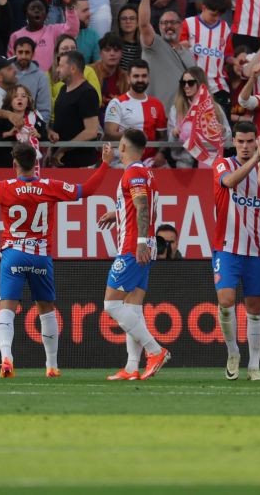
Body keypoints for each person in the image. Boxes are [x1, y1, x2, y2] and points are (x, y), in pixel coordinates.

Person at [0, 142, 112, 378]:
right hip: (40, 256)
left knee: (6, 308)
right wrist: (106, 163)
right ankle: (52, 365)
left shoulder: (1, 187)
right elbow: (87, 189)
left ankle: (6, 357)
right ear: (36, 164)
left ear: (15, 164)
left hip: (14, 254)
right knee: (46, 310)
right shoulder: (51, 186)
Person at [212, 121, 260, 381]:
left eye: (250, 141)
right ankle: (233, 352)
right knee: (226, 300)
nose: (244, 146)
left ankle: (254, 366)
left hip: (256, 249)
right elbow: (230, 182)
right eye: (240, 141)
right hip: (227, 248)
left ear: (257, 140)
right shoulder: (223, 165)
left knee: (255, 308)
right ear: (234, 142)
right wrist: (257, 157)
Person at [97, 128, 172, 381]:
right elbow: (137, 205)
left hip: (133, 246)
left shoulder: (133, 173)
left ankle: (155, 350)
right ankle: (131, 367)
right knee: (133, 307)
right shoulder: (147, 173)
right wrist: (116, 213)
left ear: (123, 147)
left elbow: (142, 207)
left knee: (111, 304)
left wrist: (139, 241)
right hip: (145, 244)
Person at [103, 59, 167, 166]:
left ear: (148, 78)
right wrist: (134, 135)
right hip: (122, 161)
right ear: (128, 78)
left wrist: (161, 154)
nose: (140, 80)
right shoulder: (117, 103)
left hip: (150, 162)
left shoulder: (157, 104)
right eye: (136, 76)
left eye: (144, 76)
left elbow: (163, 136)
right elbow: (109, 134)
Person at [49, 51, 101, 168]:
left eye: (61, 66)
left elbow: (91, 131)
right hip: (61, 161)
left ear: (72, 68)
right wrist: (52, 150)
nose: (57, 69)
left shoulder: (87, 92)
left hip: (81, 164)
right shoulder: (63, 89)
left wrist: (63, 148)